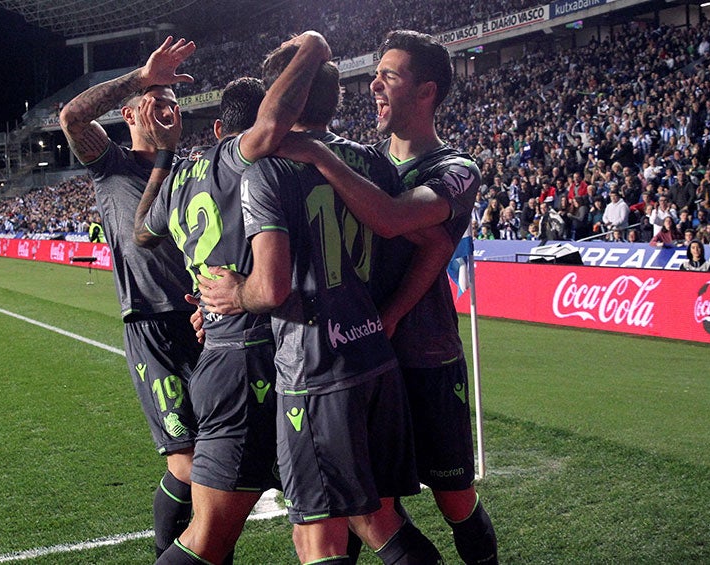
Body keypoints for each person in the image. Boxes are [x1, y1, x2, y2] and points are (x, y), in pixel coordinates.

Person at [202, 42, 441, 565]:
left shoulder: (265, 171)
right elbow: (436, 243)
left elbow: (270, 290)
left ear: (281, 96)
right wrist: (391, 314)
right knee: (378, 514)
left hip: (315, 370)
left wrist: (232, 294)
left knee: (319, 536)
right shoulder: (373, 161)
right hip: (376, 358)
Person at [265, 30, 499, 564]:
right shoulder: (364, 162)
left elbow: (402, 226)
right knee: (361, 505)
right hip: (365, 358)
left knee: (456, 500)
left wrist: (391, 315)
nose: (373, 85)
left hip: (426, 354)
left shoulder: (457, 170)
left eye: (389, 76)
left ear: (426, 92)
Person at [133, 32, 336, 565]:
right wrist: (313, 45)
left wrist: (163, 157)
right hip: (264, 359)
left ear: (219, 126)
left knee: (231, 535)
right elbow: (267, 130)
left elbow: (143, 233)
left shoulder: (180, 178)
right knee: (314, 529)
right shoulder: (247, 160)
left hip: (221, 363)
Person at [59, 36, 203, 557]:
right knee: (186, 464)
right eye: (155, 101)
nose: (165, 109)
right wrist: (144, 76)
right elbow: (72, 116)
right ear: (129, 111)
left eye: (171, 103)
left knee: (219, 462)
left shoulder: (189, 173)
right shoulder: (111, 164)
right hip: (150, 327)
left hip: (202, 324)